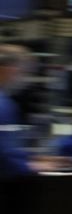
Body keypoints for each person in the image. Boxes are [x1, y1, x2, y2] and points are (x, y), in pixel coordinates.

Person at [0, 43, 34, 178]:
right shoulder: (3, 105)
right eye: (24, 71)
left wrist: (33, 158)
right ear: (9, 69)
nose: (25, 79)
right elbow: (5, 157)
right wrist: (30, 166)